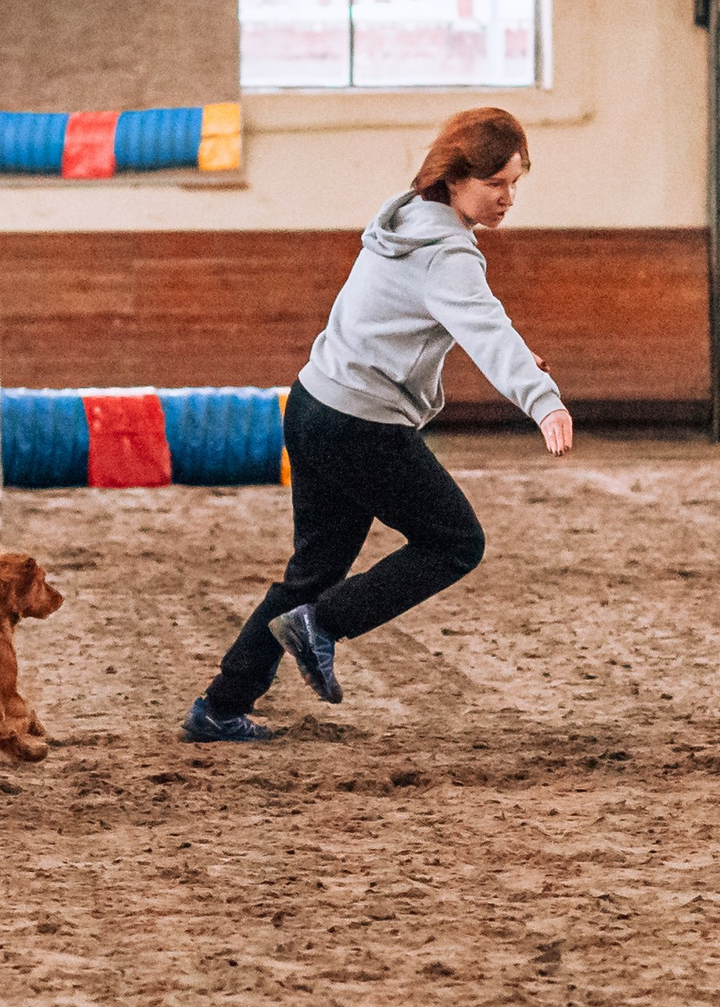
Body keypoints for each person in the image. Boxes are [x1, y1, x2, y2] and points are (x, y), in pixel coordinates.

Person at [185, 107, 574, 743]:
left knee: (310, 573)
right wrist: (544, 400)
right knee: (454, 542)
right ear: (455, 179)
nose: (508, 199)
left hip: (312, 405)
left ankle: (221, 707)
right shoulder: (446, 253)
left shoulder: (406, 221)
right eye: (496, 184)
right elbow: (483, 322)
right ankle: (324, 625)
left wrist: (512, 357)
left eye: (515, 184)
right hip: (359, 426)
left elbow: (454, 323)